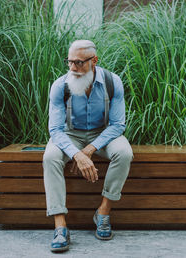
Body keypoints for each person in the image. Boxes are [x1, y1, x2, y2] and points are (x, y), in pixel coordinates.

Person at [43, 39, 133, 252]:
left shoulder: (112, 82)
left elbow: (118, 124)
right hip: (69, 135)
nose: (73, 68)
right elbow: (55, 130)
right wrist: (76, 154)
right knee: (50, 157)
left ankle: (103, 212)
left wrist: (89, 150)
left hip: (103, 134)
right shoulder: (60, 85)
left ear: (94, 61)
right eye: (70, 62)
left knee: (124, 153)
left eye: (79, 63)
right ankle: (60, 225)